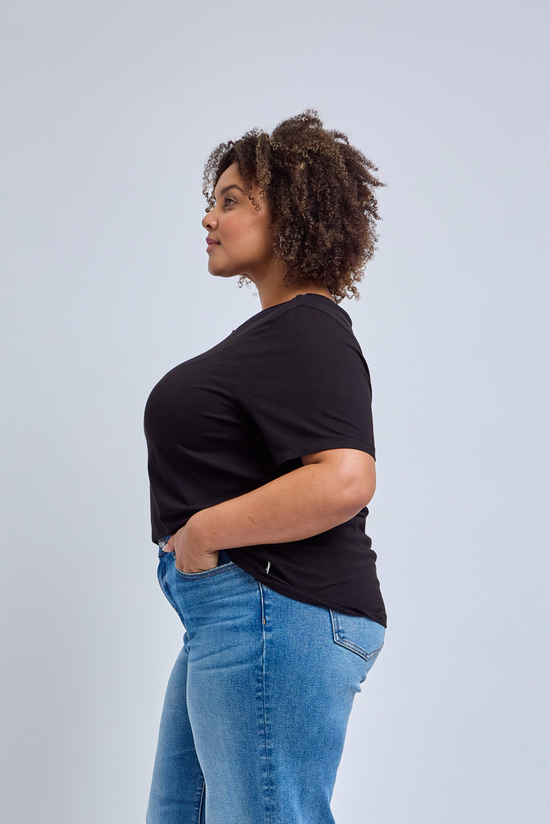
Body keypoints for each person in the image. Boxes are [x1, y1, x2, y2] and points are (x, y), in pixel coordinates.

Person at [144, 109, 387, 824]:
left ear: (289, 213)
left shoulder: (307, 327)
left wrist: (204, 532)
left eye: (231, 199)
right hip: (238, 616)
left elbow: (345, 477)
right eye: (209, 201)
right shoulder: (278, 334)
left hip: (275, 611)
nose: (208, 218)